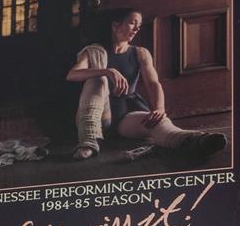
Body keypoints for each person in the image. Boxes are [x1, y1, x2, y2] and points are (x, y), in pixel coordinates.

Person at [65, 9, 227, 165]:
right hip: (98, 114)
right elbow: (72, 74)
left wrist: (159, 108)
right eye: (132, 23)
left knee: (159, 124)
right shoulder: (94, 51)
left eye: (139, 25)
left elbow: (153, 83)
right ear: (115, 25)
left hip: (126, 114)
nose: (136, 29)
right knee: (98, 79)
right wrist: (108, 71)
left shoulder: (140, 53)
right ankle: (88, 142)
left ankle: (198, 140)